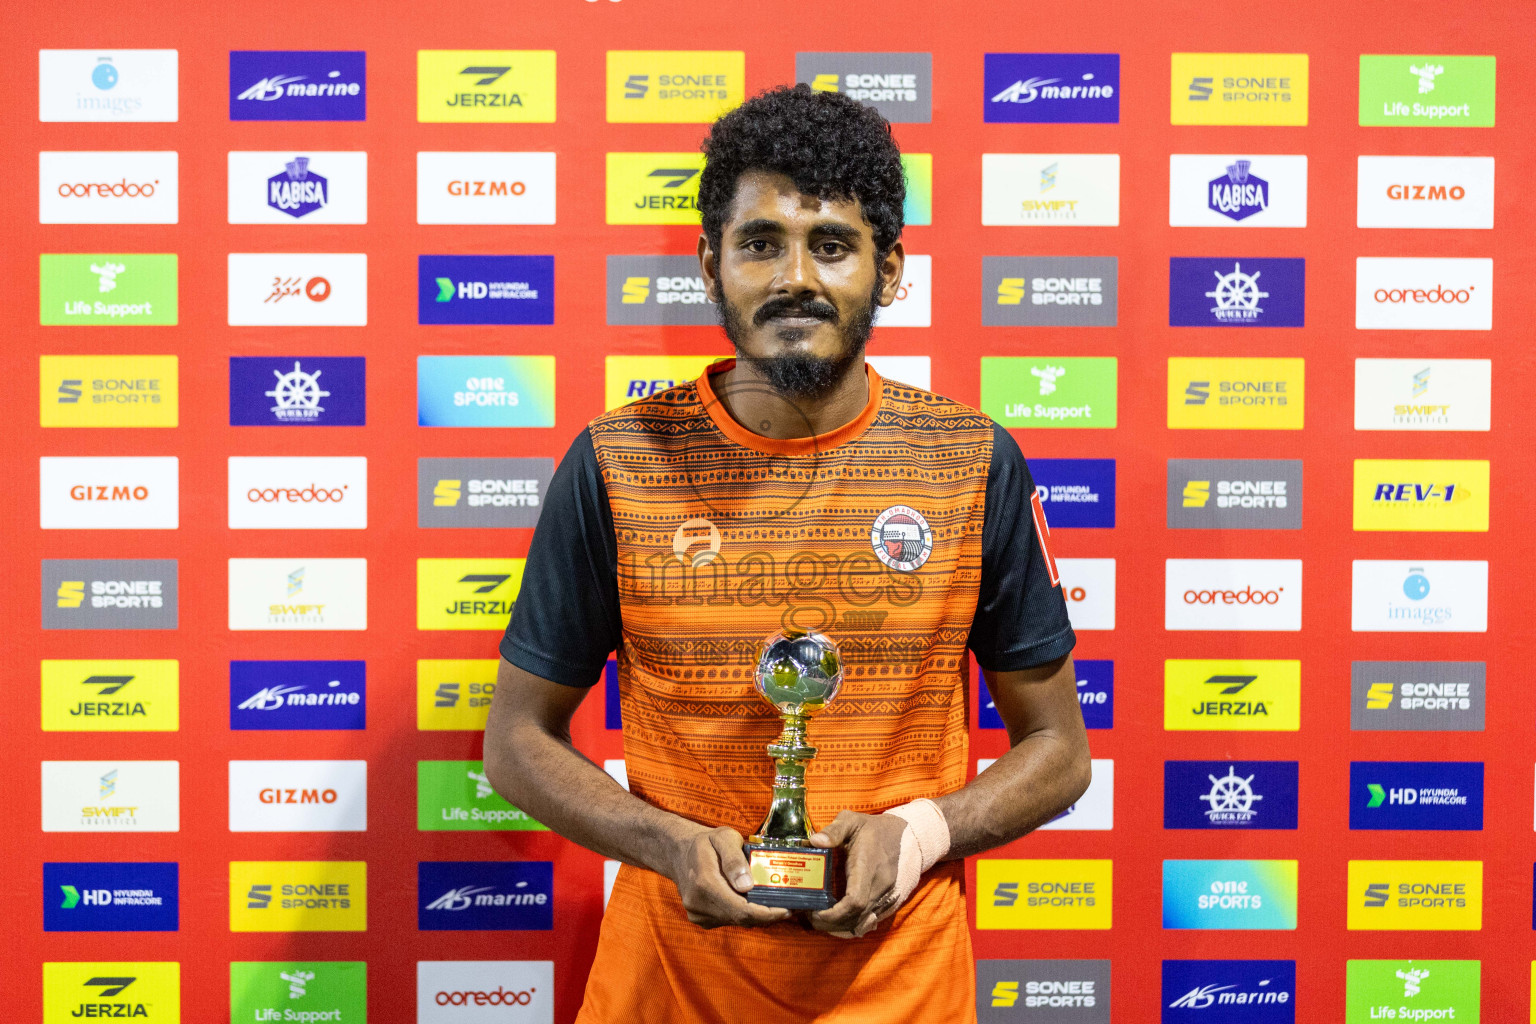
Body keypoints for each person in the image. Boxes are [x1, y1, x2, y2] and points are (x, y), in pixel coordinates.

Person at [484, 84, 1090, 1023]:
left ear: (890, 270)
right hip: (668, 989)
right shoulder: (618, 459)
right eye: (760, 242)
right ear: (709, 263)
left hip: (902, 993)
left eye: (833, 245)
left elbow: (1058, 749)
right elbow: (517, 742)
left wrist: (922, 832)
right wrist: (665, 842)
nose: (794, 277)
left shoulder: (972, 462)